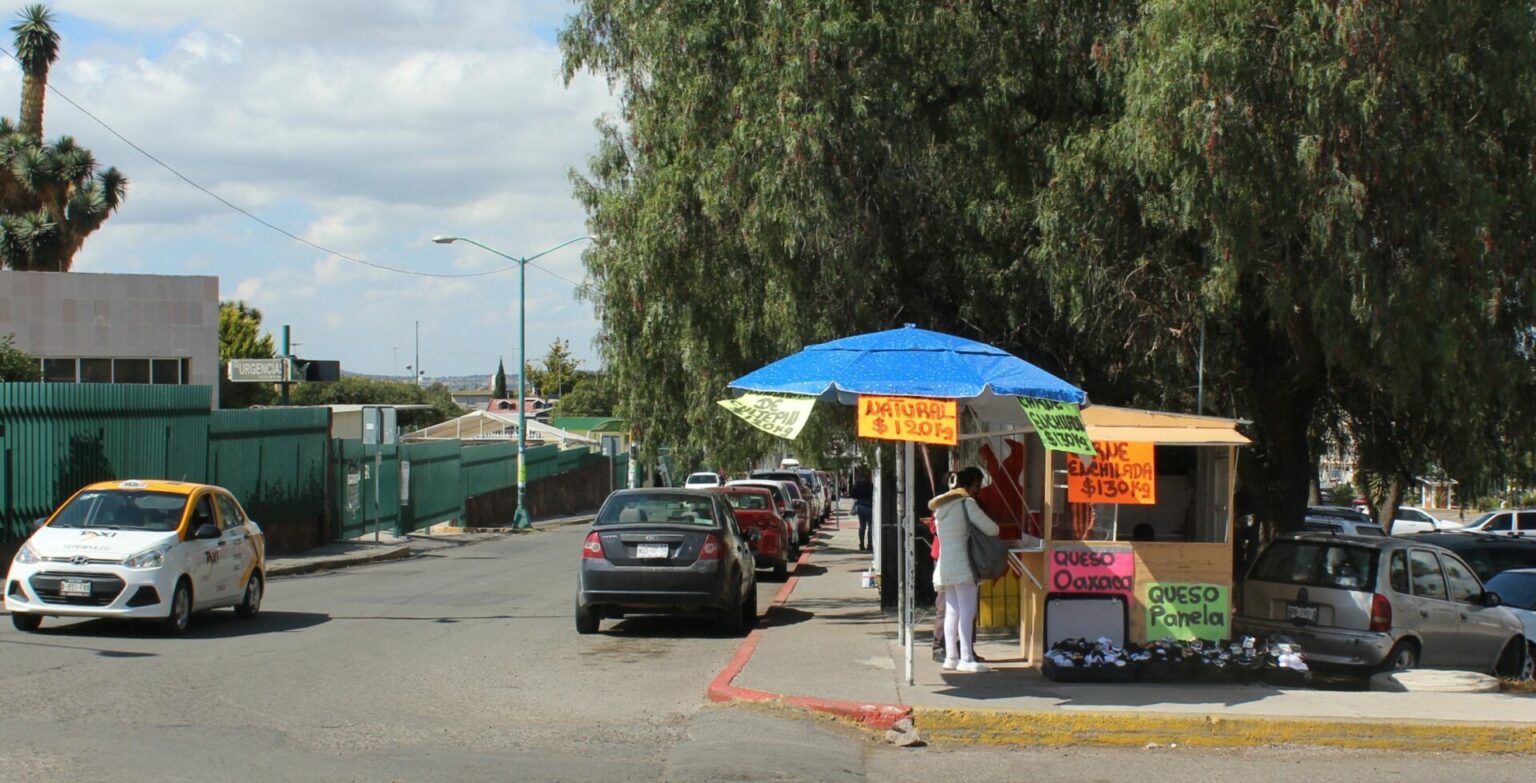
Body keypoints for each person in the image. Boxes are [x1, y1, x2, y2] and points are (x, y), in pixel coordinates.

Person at [929, 466, 999, 673]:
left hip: (945, 564)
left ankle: (951, 656)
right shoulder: (967, 504)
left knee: (952, 611)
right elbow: (992, 529)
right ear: (968, 486)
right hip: (965, 564)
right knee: (967, 612)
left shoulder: (940, 508)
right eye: (977, 486)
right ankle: (966, 657)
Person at [850, 470, 874, 551]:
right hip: (869, 506)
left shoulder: (856, 484)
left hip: (860, 506)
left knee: (862, 526)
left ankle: (861, 544)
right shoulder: (870, 484)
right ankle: (870, 544)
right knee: (870, 526)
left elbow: (852, 495)